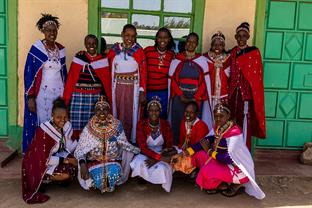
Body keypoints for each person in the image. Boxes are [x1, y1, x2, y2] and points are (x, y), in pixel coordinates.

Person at [185, 103, 265, 199]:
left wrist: (210, 152)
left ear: (228, 116)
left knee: (207, 170)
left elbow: (228, 158)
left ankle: (232, 184)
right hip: (225, 164)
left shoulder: (234, 134)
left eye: (221, 116)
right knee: (199, 155)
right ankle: (221, 182)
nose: (218, 119)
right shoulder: (219, 128)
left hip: (238, 169)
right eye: (216, 116)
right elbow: (206, 141)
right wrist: (187, 152)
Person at [74, 96, 140, 193]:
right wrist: (82, 164)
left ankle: (107, 184)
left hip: (112, 162)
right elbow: (80, 149)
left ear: (109, 110)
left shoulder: (117, 125)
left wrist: (137, 150)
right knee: (96, 178)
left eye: (104, 109)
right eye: (98, 109)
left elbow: (124, 144)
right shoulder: (89, 127)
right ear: (94, 111)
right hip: (94, 163)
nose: (101, 112)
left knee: (113, 173)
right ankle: (98, 185)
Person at [23, 13, 67, 153]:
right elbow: (29, 73)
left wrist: (66, 95)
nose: (52, 33)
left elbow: (64, 74)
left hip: (59, 94)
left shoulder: (61, 50)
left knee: (59, 122)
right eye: (48, 30)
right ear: (43, 31)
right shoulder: (36, 49)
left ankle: (57, 151)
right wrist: (30, 97)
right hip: (43, 95)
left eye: (54, 30)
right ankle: (43, 153)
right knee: (44, 123)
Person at [22, 98, 78, 204]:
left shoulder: (66, 126)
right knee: (66, 171)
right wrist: (67, 161)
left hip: (53, 158)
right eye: (59, 117)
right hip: (36, 164)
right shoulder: (44, 130)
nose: (62, 120)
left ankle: (53, 178)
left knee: (73, 168)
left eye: (65, 117)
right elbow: (44, 159)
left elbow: (66, 146)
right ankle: (43, 180)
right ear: (52, 115)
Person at [63, 34, 111, 140]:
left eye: (94, 43)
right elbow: (71, 80)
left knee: (93, 124)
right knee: (76, 123)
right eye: (88, 43)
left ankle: (90, 149)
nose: (91, 45)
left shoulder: (102, 60)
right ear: (85, 44)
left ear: (97, 45)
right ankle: (76, 147)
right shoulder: (79, 58)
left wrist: (105, 98)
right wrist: (66, 100)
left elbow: (106, 83)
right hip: (78, 97)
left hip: (95, 98)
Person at [169, 32, 212, 145]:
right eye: (189, 41)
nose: (190, 44)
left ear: (197, 44)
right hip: (180, 98)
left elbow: (204, 83)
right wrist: (180, 95)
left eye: (193, 42)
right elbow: (172, 80)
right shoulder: (177, 59)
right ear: (186, 43)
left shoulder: (202, 60)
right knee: (178, 123)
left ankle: (193, 150)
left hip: (195, 99)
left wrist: (195, 98)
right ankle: (178, 148)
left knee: (194, 125)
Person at [228, 22, 266, 149]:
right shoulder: (231, 53)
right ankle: (230, 151)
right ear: (235, 37)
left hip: (246, 95)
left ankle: (244, 152)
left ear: (248, 36)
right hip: (232, 94)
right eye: (239, 36)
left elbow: (256, 76)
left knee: (245, 123)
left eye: (244, 35)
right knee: (230, 121)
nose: (241, 38)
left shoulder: (253, 52)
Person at [107, 24, 147, 143]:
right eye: (127, 35)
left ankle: (130, 140)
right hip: (117, 88)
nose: (130, 38)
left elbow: (144, 72)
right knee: (117, 112)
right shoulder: (115, 50)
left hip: (132, 89)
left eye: (133, 36)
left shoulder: (139, 51)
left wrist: (142, 91)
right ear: (122, 35)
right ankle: (117, 140)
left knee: (131, 115)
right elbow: (107, 67)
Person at [130, 96, 176, 192]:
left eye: (156, 110)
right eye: (151, 110)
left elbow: (169, 146)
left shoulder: (165, 124)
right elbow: (143, 147)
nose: (154, 113)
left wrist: (157, 159)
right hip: (145, 153)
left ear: (160, 111)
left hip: (161, 153)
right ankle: (142, 177)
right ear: (147, 111)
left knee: (163, 168)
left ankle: (159, 181)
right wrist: (158, 158)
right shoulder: (141, 124)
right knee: (140, 163)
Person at [144, 27, 175, 119]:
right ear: (156, 39)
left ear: (169, 39)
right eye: (160, 37)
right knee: (148, 116)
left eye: (165, 37)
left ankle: (161, 133)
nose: (162, 40)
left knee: (161, 116)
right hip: (149, 91)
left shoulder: (172, 55)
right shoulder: (148, 51)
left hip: (164, 92)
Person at [204, 31, 230, 109]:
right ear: (211, 45)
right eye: (215, 44)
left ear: (224, 46)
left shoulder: (228, 59)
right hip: (209, 93)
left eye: (220, 45)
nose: (217, 47)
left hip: (223, 94)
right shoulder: (205, 58)